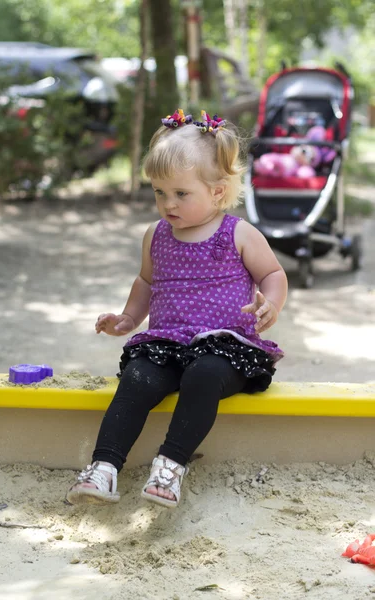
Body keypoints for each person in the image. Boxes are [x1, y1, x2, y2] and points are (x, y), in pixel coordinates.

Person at [66, 109, 288, 509]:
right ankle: (104, 467)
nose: (168, 203)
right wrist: (129, 318)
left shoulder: (236, 233)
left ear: (218, 192)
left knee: (204, 375)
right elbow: (147, 283)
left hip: (225, 347)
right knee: (136, 379)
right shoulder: (156, 235)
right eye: (159, 192)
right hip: (167, 343)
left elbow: (272, 272)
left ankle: (170, 466)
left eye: (181, 194)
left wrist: (270, 303)